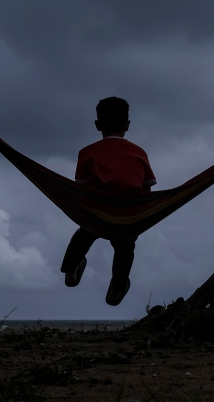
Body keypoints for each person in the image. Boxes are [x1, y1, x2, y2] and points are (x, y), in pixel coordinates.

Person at [60, 96, 156, 306]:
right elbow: (147, 191)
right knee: (126, 246)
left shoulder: (87, 153)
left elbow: (81, 191)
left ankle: (71, 269)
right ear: (127, 125)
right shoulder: (139, 153)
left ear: (97, 125)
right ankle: (117, 289)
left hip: (97, 214)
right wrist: (142, 216)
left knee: (84, 233)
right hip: (129, 216)